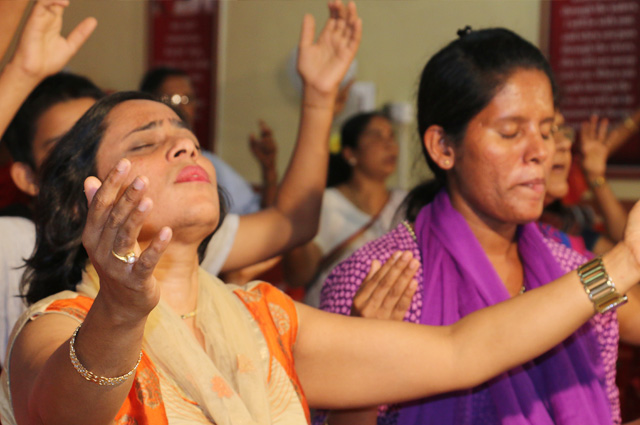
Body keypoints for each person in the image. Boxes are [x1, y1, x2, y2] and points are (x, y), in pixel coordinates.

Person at [3, 10, 640, 424]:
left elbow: (464, 349)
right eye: (144, 141)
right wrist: (118, 310)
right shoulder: (51, 330)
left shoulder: (265, 319)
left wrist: (621, 263)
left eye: (185, 133)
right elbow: (70, 412)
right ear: (81, 197)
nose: (183, 143)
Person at [318, 27, 640, 425]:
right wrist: (361, 368)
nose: (541, 151)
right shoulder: (381, 280)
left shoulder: (575, 274)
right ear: (443, 147)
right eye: (510, 132)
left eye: (547, 130)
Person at [0, 0, 97, 368]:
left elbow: (286, 225)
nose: (87, 160)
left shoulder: (151, 234)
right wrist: (22, 73)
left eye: (96, 141)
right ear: (26, 177)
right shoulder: (15, 240)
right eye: (65, 148)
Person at [284, 111, 407, 307]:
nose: (389, 144)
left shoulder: (407, 204)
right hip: (330, 318)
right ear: (350, 153)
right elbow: (298, 275)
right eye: (376, 135)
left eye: (391, 136)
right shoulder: (327, 204)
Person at [140, 66, 273, 215]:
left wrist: (269, 168)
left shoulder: (207, 163)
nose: (182, 107)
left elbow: (261, 214)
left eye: (188, 99)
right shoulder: (142, 164)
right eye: (172, 99)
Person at [540, 112, 628, 256]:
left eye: (562, 130)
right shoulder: (512, 233)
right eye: (547, 132)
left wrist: (594, 175)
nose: (565, 143)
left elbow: (627, 255)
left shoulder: (564, 225)